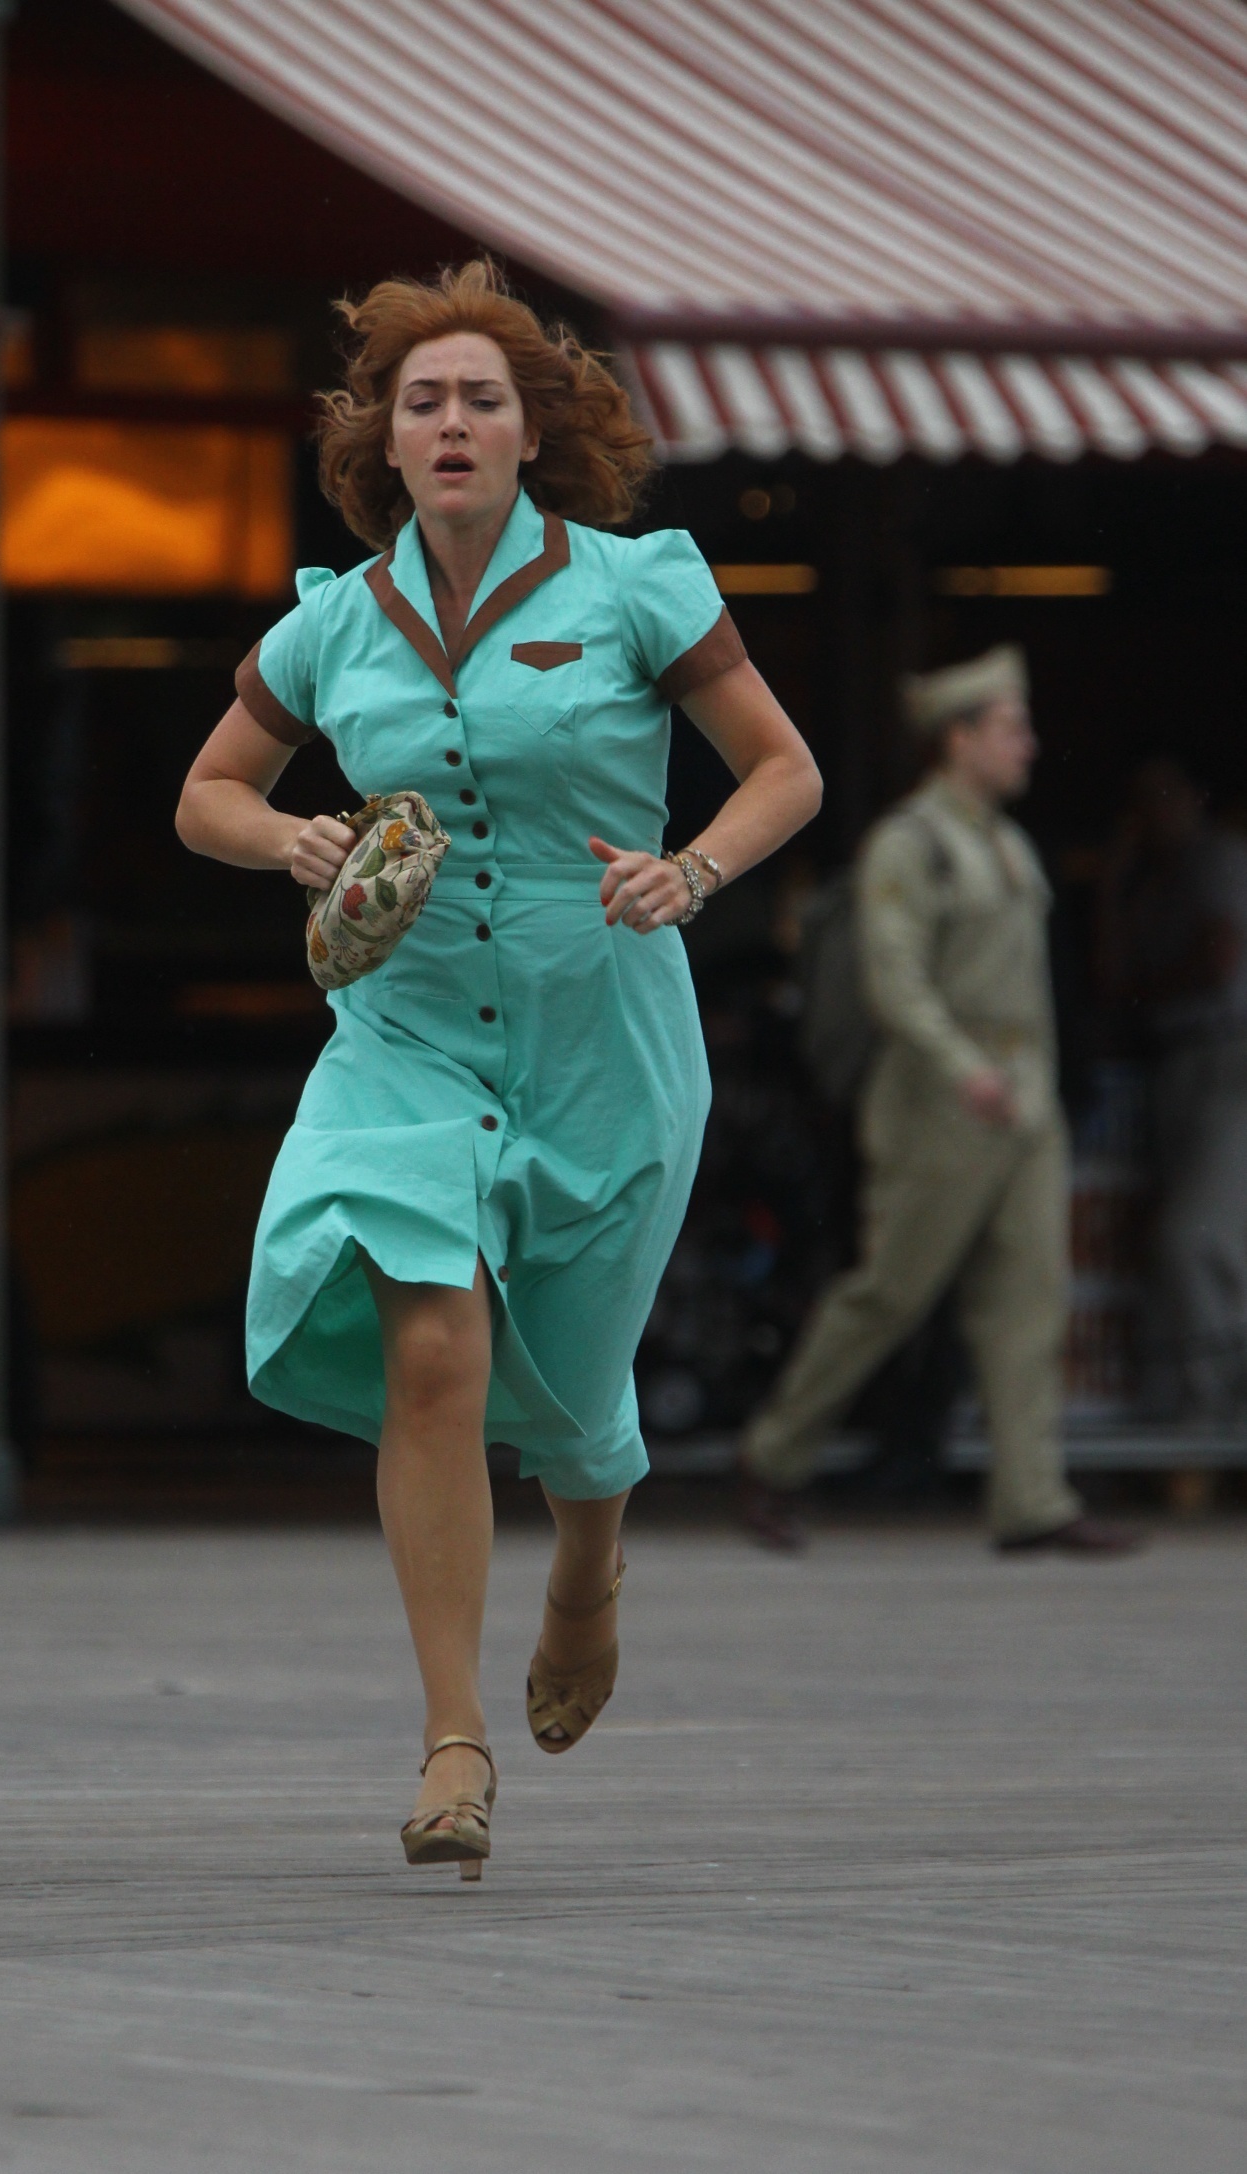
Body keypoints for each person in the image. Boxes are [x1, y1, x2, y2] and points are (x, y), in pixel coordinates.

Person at [175, 261, 822, 1876]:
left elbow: (784, 769)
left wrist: (692, 868)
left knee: (574, 1388)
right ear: (383, 442)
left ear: (533, 432)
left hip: (604, 1031)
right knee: (435, 1344)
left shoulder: (636, 586)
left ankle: (588, 1567)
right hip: (400, 1036)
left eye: (481, 398)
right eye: (423, 402)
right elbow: (206, 794)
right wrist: (287, 837)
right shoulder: (334, 619)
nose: (452, 422)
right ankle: (452, 1739)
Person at [737, 645, 1139, 1558]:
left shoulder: (1003, 843)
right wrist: (962, 1067)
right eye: (1009, 728)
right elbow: (895, 983)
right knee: (889, 1294)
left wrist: (1029, 1086)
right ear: (957, 738)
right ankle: (771, 1455)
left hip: (1020, 1099)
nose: (1026, 744)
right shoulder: (910, 843)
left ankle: (1031, 1498)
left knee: (1029, 1300)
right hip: (939, 1100)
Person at [1098, 759, 1247, 1417]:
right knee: (1176, 1236)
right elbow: (1110, 979)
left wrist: (1142, 995)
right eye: (1142, 797)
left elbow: (1218, 960)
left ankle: (1220, 1407)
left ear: (1196, 796)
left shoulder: (1219, 857)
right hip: (1174, 1064)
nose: (1154, 809)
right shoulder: (1153, 884)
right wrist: (1111, 881)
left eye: (1166, 792)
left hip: (1228, 1054)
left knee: (1194, 1237)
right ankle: (1197, 1409)